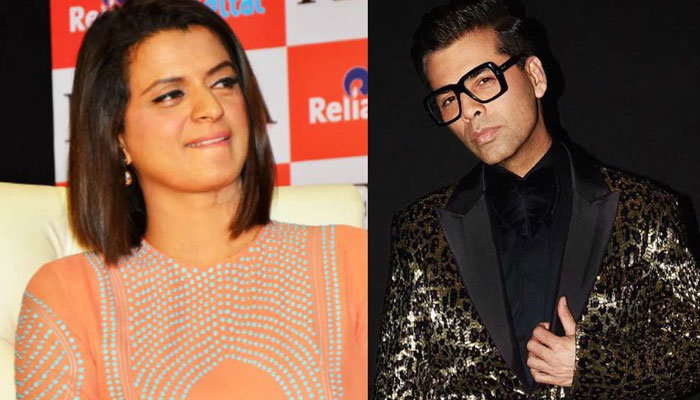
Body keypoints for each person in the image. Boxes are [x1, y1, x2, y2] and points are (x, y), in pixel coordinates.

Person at [14, 0, 367, 398]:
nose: (211, 108)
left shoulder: (352, 262)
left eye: (224, 82)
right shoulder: (67, 298)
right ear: (117, 136)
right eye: (170, 95)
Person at [374, 0, 700, 398]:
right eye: (448, 99)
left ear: (535, 76)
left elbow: (692, 349)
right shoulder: (421, 231)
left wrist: (591, 366)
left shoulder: (644, 210)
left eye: (483, 80)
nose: (469, 110)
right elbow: (396, 386)